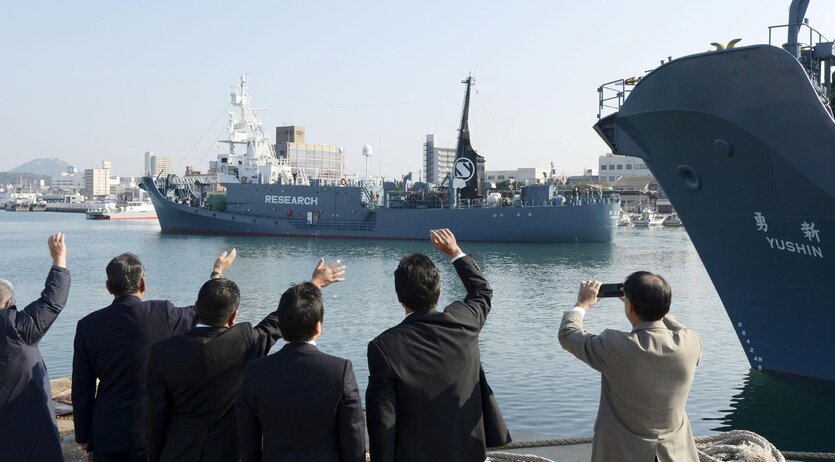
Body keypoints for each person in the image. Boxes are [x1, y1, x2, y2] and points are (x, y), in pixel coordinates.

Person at [147, 257, 346, 462]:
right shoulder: (245, 342)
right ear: (233, 316)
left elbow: (155, 415)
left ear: (196, 308)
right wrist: (314, 284)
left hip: (177, 452)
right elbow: (277, 322)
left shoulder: (162, 352)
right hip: (228, 452)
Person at [72, 249, 235, 462]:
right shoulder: (163, 313)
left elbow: (82, 386)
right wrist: (217, 273)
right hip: (151, 429)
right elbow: (202, 311)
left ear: (108, 287)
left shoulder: (87, 326)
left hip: (107, 430)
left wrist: (83, 434)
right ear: (142, 284)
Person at [365, 228, 504, 462]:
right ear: (438, 291)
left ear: (399, 297)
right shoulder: (465, 321)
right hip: (469, 452)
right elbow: (481, 290)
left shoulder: (384, 347)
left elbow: (383, 421)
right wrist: (455, 253)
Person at [558, 273, 703, 462]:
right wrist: (653, 303)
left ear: (630, 306)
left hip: (623, 453)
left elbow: (568, 334)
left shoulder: (614, 345)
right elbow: (676, 327)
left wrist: (582, 304)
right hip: (676, 454)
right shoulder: (691, 343)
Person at [236, 281, 365, 462]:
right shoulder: (340, 371)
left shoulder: (255, 371)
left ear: (281, 324)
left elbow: (248, 443)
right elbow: (354, 438)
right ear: (318, 326)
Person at [0, 233, 70, 462]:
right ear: (9, 303)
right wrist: (59, 259)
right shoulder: (19, 327)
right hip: (29, 432)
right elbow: (53, 300)